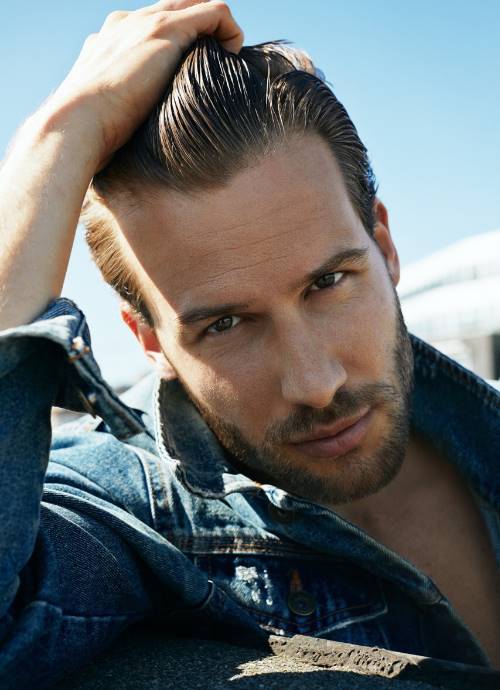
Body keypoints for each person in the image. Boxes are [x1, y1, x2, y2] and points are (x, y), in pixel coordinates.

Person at [0, 1, 499, 687]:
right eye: (226, 325)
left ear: (385, 249)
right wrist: (54, 139)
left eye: (328, 282)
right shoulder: (129, 507)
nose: (316, 383)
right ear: (149, 340)